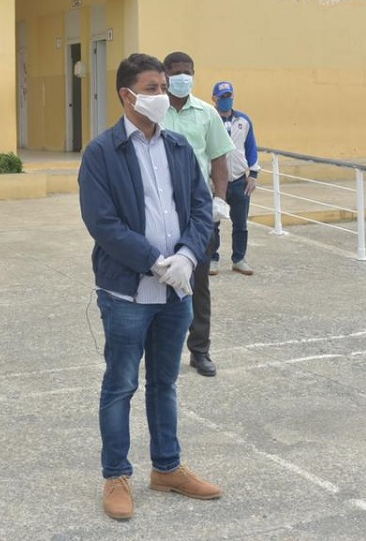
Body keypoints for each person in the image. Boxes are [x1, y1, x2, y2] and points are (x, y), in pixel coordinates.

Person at [78, 52, 222, 521]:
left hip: (176, 292)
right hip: (127, 294)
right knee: (120, 385)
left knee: (165, 383)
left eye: (165, 86)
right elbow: (102, 223)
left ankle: (167, 467)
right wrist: (155, 261)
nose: (164, 95)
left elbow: (201, 208)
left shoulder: (178, 148)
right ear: (128, 94)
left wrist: (186, 255)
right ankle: (117, 474)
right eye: (154, 88)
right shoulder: (102, 153)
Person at [161, 51, 234, 377]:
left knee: (198, 284)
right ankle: (161, 351)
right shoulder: (155, 112)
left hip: (197, 213)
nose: (182, 77)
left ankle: (200, 350)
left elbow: (219, 159)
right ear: (165, 75)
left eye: (187, 72)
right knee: (158, 280)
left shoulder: (206, 114)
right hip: (160, 210)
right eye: (176, 72)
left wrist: (219, 200)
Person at [210, 81, 260, 276]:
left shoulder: (243, 121)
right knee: (212, 224)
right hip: (215, 182)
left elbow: (251, 148)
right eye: (223, 97)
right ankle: (212, 259)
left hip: (240, 180)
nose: (227, 100)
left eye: (229, 96)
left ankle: (239, 259)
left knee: (241, 224)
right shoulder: (210, 119)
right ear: (214, 99)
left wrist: (253, 175)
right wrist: (209, 178)